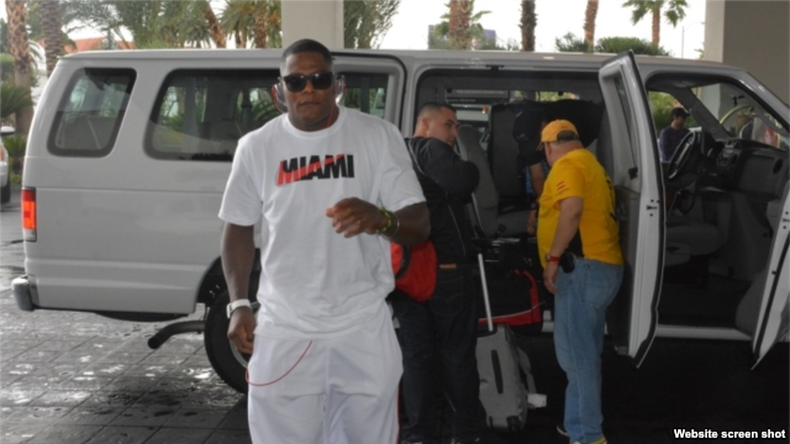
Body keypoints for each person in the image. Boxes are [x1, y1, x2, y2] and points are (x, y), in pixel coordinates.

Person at [219, 38, 430, 444]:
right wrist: (239, 304)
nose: (309, 89)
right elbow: (237, 227)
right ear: (278, 91)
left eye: (319, 78)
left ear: (338, 85)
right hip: (285, 327)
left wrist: (382, 218)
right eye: (296, 81)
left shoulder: (377, 136)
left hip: (362, 325)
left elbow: (419, 223)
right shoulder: (256, 147)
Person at [391, 102, 487, 444]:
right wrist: (473, 164)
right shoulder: (429, 148)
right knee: (457, 356)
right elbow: (464, 181)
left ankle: (419, 435)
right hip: (445, 274)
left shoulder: (396, 153)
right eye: (449, 125)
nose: (453, 133)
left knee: (416, 359)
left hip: (406, 275)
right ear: (425, 124)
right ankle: (468, 433)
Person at [536, 120, 624, 444]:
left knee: (576, 359)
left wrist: (554, 259)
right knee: (586, 356)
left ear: (548, 147)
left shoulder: (566, 164)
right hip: (603, 270)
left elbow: (572, 210)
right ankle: (576, 424)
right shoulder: (592, 164)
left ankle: (587, 435)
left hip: (582, 272)